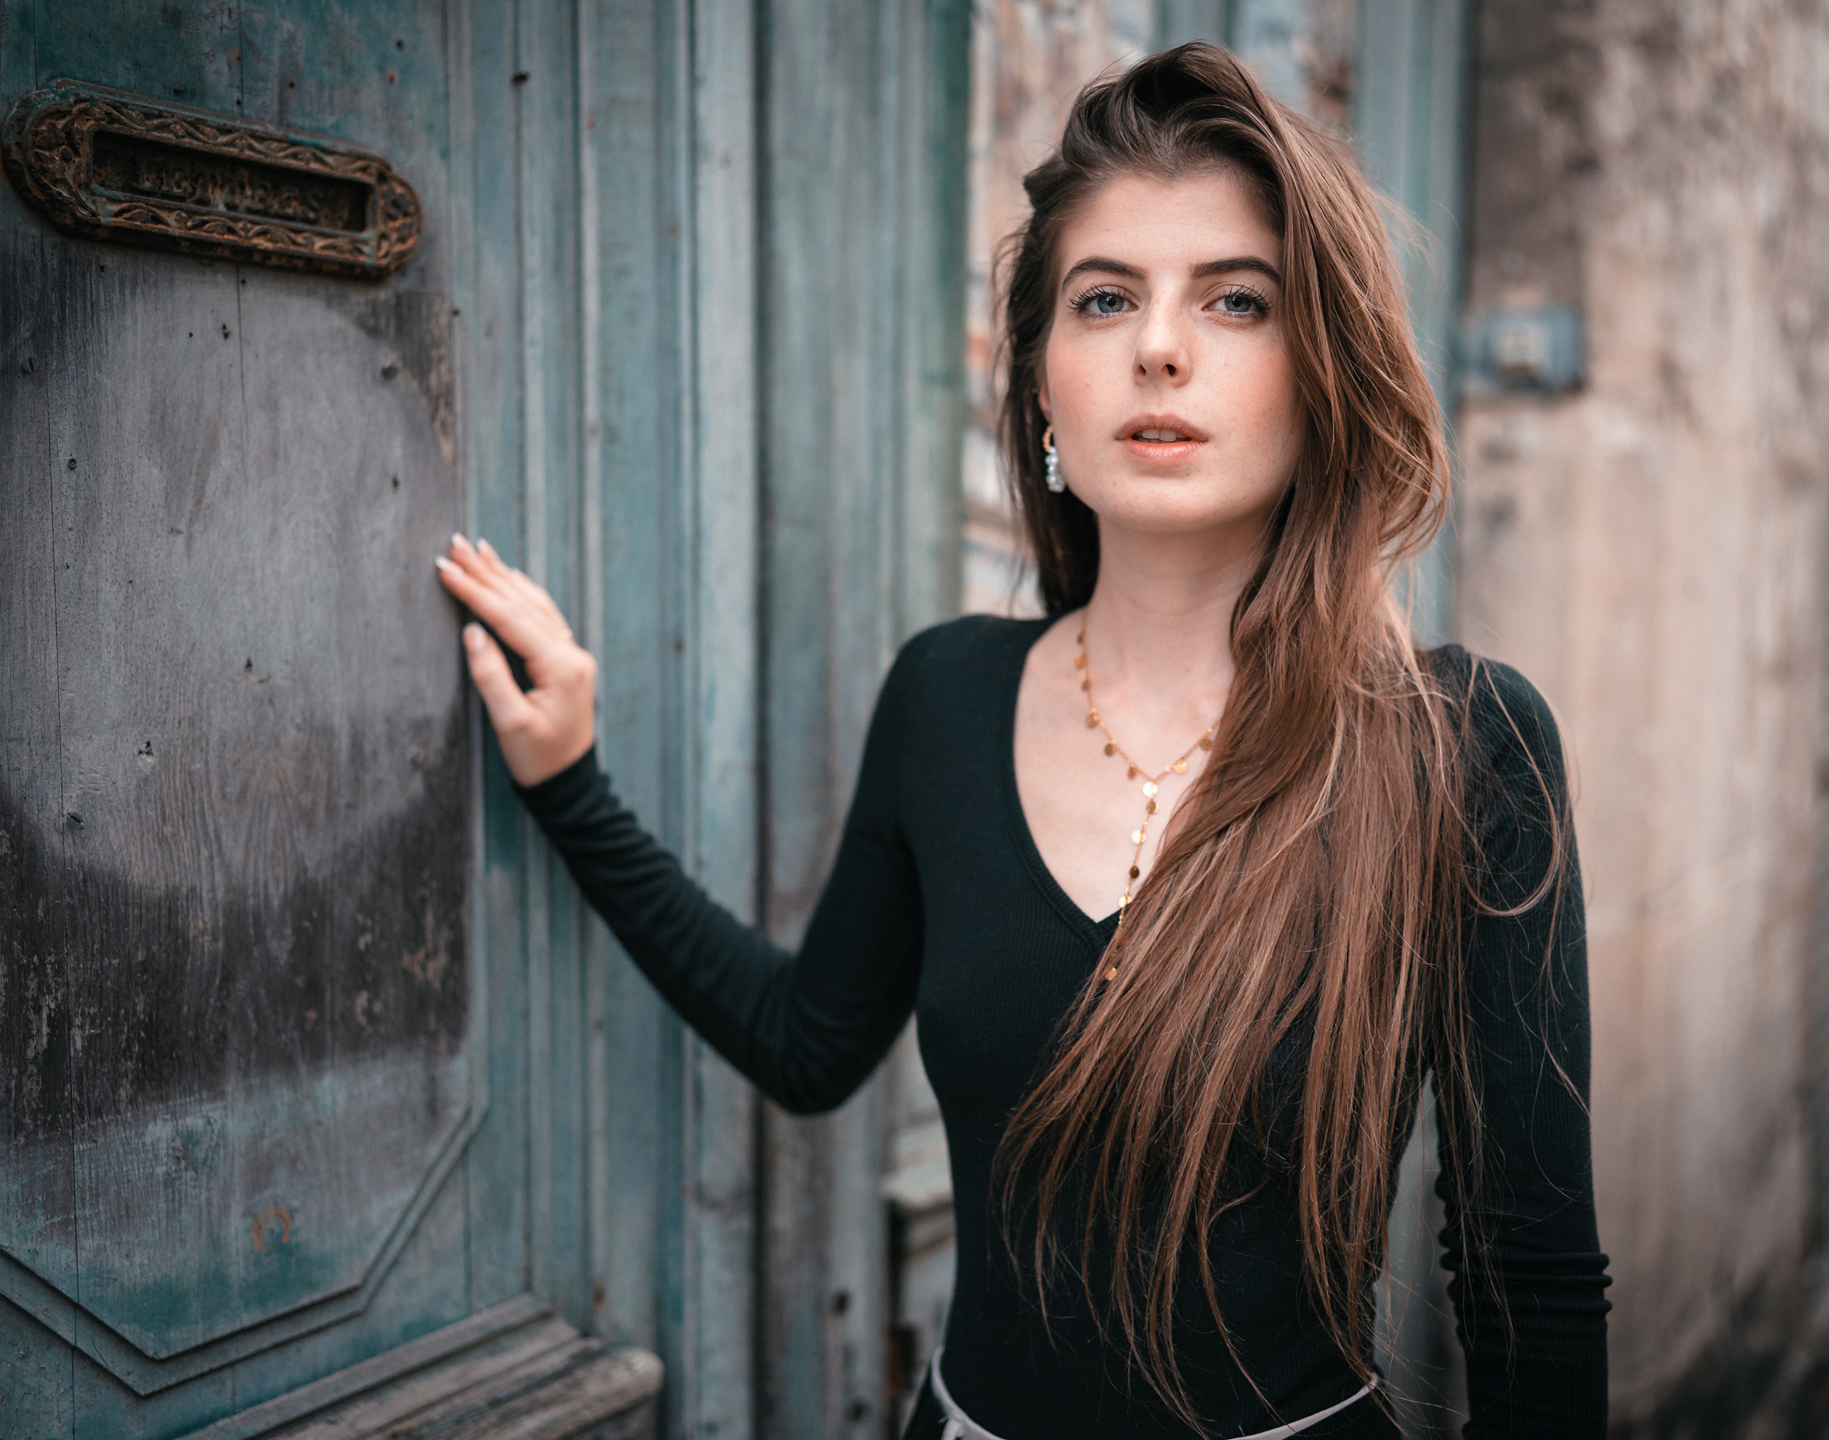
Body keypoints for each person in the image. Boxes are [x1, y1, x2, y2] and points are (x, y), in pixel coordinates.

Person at [435, 41, 1609, 1440]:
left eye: (1238, 301)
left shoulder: (1464, 747)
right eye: (1103, 298)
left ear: (1322, 372)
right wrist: (573, 787)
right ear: (1044, 383)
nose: (1159, 344)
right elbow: (810, 1045)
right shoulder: (947, 694)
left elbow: (1527, 1280)